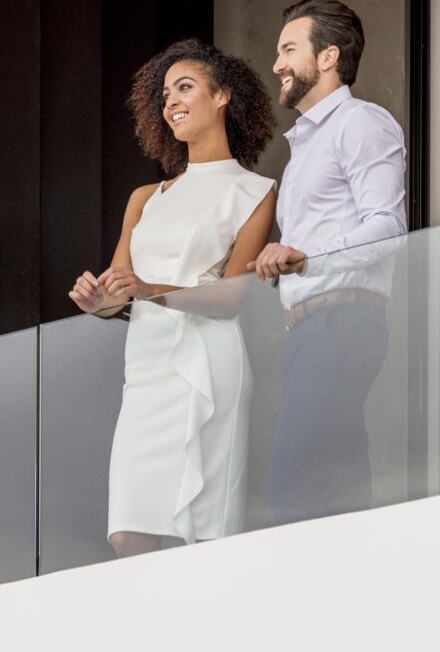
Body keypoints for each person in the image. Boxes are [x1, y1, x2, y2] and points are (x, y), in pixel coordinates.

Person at [69, 39, 277, 556]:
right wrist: (100, 301)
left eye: (185, 88)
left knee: (202, 538)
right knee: (128, 532)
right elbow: (121, 289)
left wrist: (145, 291)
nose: (171, 103)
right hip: (146, 372)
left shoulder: (255, 191)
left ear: (223, 95)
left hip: (208, 366)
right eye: (165, 95)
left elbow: (231, 297)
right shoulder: (145, 197)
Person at [249, 0, 407, 524]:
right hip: (314, 329)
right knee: (335, 496)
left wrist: (305, 257)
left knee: (294, 491)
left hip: (340, 322)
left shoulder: (361, 123)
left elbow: (389, 226)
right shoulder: (305, 150)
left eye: (289, 49)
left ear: (328, 57)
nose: (277, 65)